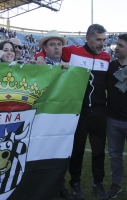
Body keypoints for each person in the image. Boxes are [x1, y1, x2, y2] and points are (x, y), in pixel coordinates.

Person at [36, 24, 110, 200]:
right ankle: (75, 183)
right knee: (76, 149)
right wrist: (39, 55)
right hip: (79, 111)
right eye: (98, 40)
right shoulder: (71, 51)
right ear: (88, 38)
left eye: (104, 40)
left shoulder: (106, 57)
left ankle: (98, 183)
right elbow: (49, 51)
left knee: (99, 150)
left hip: (100, 111)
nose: (102, 44)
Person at [36, 30, 73, 200]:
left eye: (59, 44)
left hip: (65, 115)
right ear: (45, 47)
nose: (57, 48)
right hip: (44, 117)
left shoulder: (70, 65)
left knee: (62, 150)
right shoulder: (39, 65)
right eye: (52, 44)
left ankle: (60, 184)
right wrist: (39, 57)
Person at [106, 34, 127, 199]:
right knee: (115, 156)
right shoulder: (111, 66)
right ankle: (116, 184)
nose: (116, 48)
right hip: (113, 119)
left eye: (120, 45)